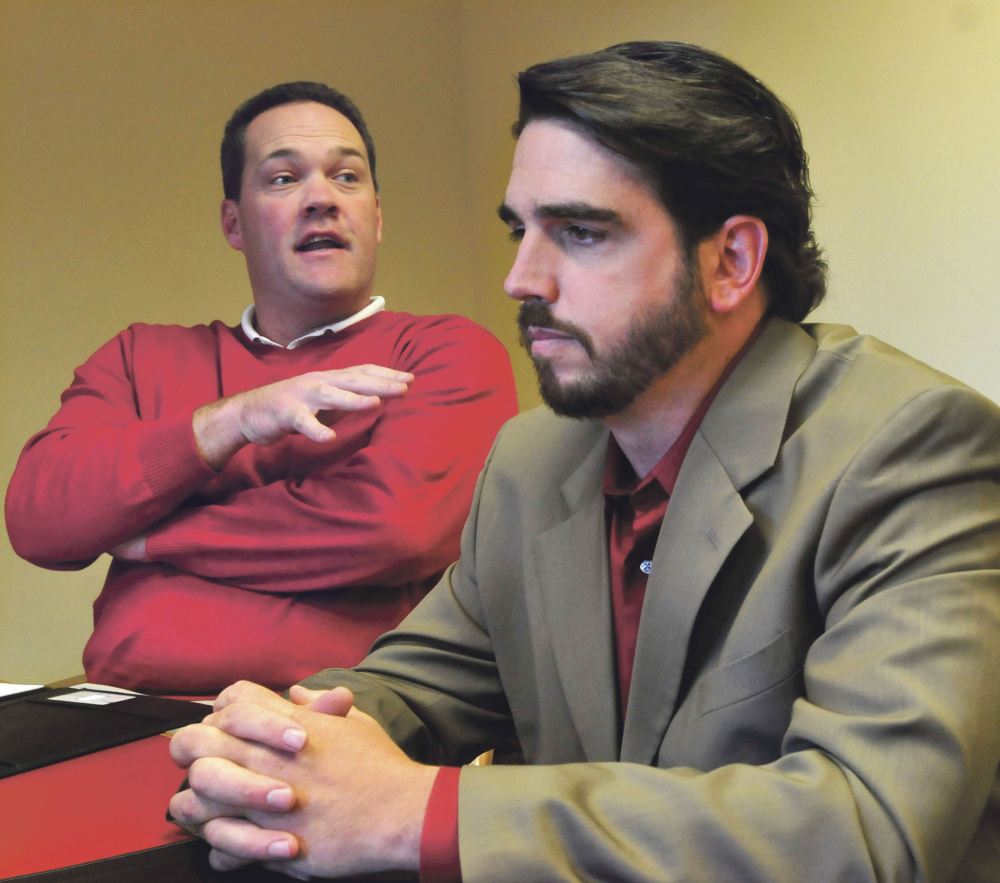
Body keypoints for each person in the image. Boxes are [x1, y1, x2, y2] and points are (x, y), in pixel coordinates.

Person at [166, 43, 1000, 881]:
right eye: (519, 230)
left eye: (580, 232)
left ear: (732, 261)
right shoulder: (531, 459)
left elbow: (867, 831)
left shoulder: (914, 447)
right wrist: (278, 748)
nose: (522, 279)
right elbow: (413, 689)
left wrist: (422, 812)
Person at [4, 82, 517, 696]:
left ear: (376, 218)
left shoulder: (445, 352)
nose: (322, 198)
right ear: (233, 223)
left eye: (347, 177)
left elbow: (393, 529)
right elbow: (41, 519)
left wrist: (151, 537)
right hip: (124, 715)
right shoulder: (141, 356)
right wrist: (231, 422)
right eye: (283, 178)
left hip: (343, 725)